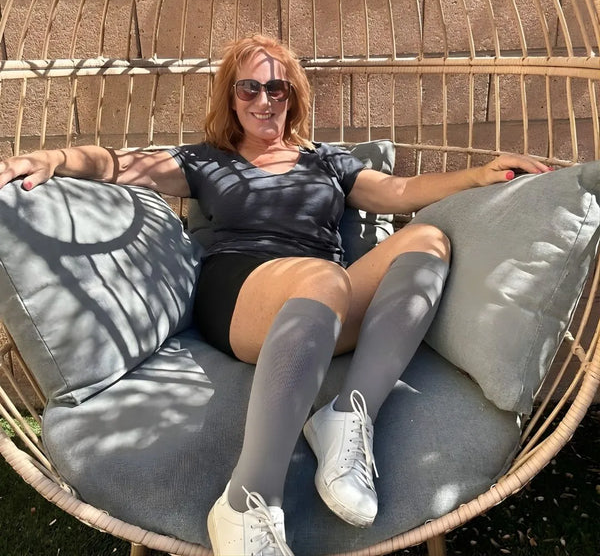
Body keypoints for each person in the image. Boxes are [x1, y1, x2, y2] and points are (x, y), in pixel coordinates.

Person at [0, 34, 551, 555]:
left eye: (276, 87)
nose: (264, 100)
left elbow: (400, 190)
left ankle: (348, 414)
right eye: (249, 88)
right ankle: (246, 500)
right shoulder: (205, 160)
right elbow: (120, 165)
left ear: (292, 96)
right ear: (231, 98)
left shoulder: (326, 161)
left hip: (323, 307)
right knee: (324, 276)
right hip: (242, 298)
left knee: (427, 239)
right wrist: (57, 159)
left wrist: (478, 176)